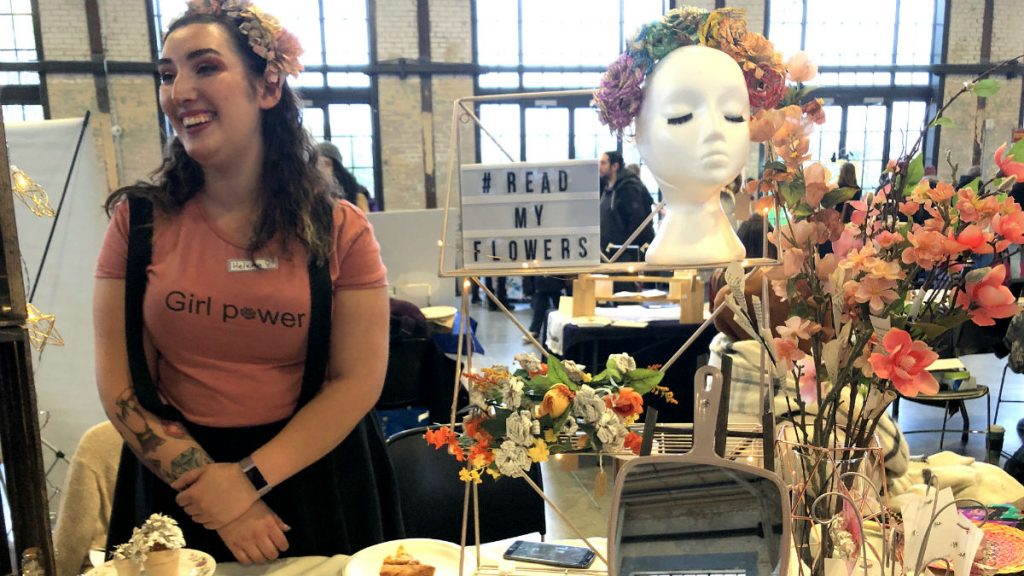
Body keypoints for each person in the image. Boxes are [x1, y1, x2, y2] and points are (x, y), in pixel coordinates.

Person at [94, 0, 401, 565]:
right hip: (179, 489)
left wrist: (246, 482)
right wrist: (218, 492)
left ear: (268, 87)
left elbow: (357, 381)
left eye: (205, 67)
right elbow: (120, 386)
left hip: (314, 478)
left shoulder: (339, 230)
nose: (179, 89)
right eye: (167, 74)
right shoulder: (136, 223)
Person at [598, 150, 655, 262]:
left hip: (625, 254)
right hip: (612, 252)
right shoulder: (607, 187)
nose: (600, 167)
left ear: (614, 166)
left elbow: (637, 220)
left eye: (603, 163)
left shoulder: (628, 188)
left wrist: (622, 246)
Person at [316, 141, 374, 213]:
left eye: (326, 164)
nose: (321, 169)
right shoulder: (309, 192)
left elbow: (365, 219)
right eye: (317, 164)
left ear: (337, 168)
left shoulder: (357, 193)